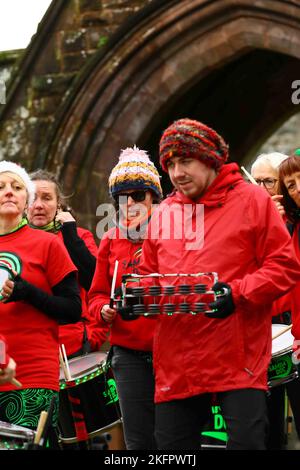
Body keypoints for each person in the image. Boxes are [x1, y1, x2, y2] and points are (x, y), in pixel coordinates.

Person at [136, 118, 300, 450]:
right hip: (177, 365)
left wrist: (237, 293)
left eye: (185, 161)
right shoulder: (164, 213)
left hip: (237, 359)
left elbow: (284, 266)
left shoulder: (253, 201)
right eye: (169, 164)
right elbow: (147, 276)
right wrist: (137, 299)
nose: (177, 172)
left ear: (210, 159)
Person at [0, 161, 81, 443]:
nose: (8, 192)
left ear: (27, 200)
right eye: (0, 187)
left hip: (32, 377)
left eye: (17, 187)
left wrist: (29, 293)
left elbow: (73, 309)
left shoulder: (47, 244)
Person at [88, 146, 163, 450]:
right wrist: (102, 309)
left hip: (171, 349)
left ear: (154, 198)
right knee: (138, 442)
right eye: (123, 197)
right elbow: (94, 295)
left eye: (138, 195)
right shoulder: (110, 239)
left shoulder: (174, 233)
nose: (130, 203)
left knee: (175, 439)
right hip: (129, 354)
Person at [27, 169, 108, 358]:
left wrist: (91, 337)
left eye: (47, 198)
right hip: (30, 347)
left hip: (75, 345)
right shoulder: (13, 240)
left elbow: (97, 283)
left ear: (59, 204)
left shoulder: (79, 236)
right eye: (32, 198)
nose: (38, 205)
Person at [251, 152, 300, 449]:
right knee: (264, 425)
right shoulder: (247, 219)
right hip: (260, 328)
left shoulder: (292, 221)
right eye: (255, 182)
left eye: (268, 182)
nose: (260, 189)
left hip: (289, 326)